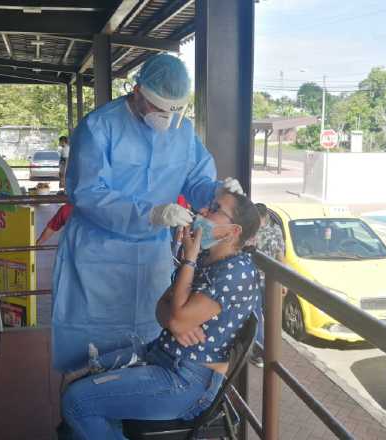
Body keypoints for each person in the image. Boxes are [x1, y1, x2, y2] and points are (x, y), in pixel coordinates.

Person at [51, 53, 244, 373]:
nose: (163, 116)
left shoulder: (182, 133)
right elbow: (87, 193)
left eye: (171, 109)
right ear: (137, 91)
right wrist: (149, 213)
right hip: (97, 256)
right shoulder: (100, 127)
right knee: (88, 356)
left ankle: (131, 410)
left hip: (150, 257)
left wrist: (218, 192)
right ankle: (80, 416)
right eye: (157, 106)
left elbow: (196, 180)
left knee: (146, 342)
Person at [61, 191, 261, 439]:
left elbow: (175, 317)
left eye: (215, 209)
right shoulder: (207, 258)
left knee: (76, 403)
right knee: (75, 377)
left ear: (234, 231)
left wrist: (187, 264)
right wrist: (175, 320)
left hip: (184, 381)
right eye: (208, 205)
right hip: (161, 357)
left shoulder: (236, 271)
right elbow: (162, 308)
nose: (203, 212)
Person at [249, 203, 286, 367]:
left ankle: (260, 353)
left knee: (257, 316)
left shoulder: (250, 230)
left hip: (254, 280)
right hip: (271, 281)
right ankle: (270, 352)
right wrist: (284, 281)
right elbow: (280, 256)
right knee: (271, 317)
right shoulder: (276, 230)